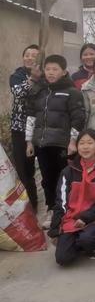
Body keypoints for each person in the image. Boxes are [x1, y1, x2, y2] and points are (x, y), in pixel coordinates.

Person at [25, 54, 86, 228]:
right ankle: (52, 210)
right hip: (42, 144)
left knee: (64, 179)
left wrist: (73, 142)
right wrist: (29, 141)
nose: (51, 72)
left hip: (62, 145)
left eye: (55, 69)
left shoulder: (72, 92)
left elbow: (78, 118)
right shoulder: (39, 90)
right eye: (48, 69)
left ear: (64, 71)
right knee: (47, 179)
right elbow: (31, 116)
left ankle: (66, 211)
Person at [47, 129, 95, 266]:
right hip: (72, 219)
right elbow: (60, 201)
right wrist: (55, 229)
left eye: (90, 143)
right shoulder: (68, 171)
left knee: (88, 239)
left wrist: (86, 218)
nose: (85, 147)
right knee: (63, 259)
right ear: (77, 146)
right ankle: (78, 241)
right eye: (82, 143)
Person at [9, 44, 42, 211]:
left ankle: (51, 207)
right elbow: (19, 93)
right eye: (27, 55)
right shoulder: (17, 75)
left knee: (45, 170)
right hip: (20, 130)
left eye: (34, 55)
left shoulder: (46, 75)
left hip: (42, 129)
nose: (29, 58)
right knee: (24, 170)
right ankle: (30, 206)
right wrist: (32, 79)